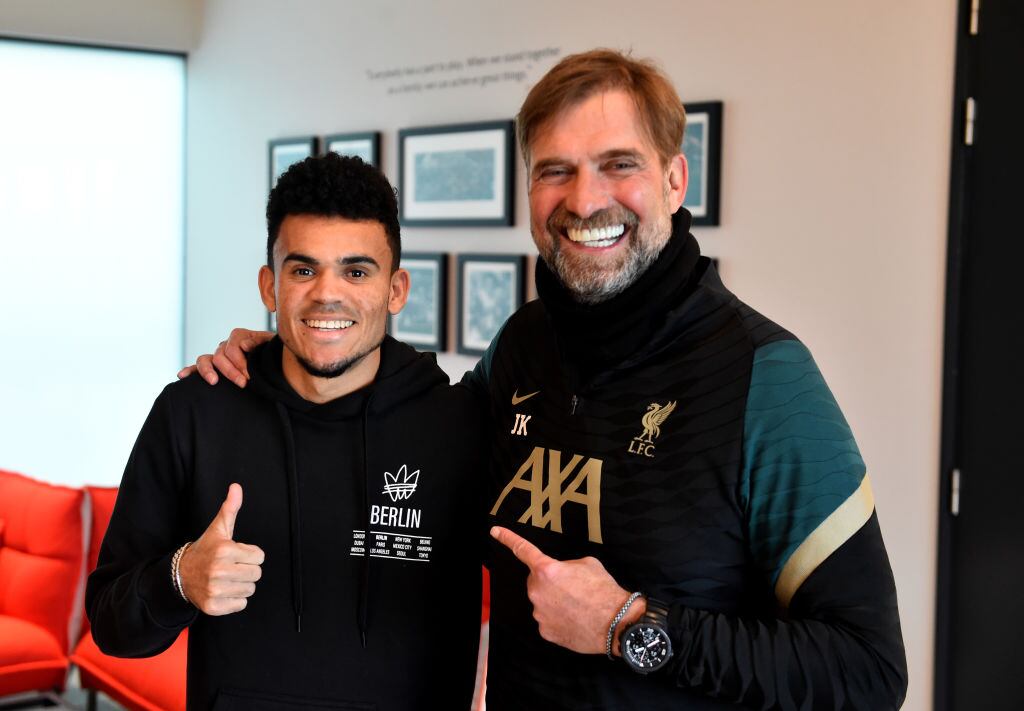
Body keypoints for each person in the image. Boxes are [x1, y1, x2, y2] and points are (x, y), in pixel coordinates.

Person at [192, 50, 908, 710]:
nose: (585, 198)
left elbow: (870, 668)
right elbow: (405, 442)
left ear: (674, 177)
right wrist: (292, 351)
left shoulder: (766, 378)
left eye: (617, 163)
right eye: (555, 170)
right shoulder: (521, 349)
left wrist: (629, 625)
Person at [87, 153, 486, 711]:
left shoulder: (461, 427)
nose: (327, 294)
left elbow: (534, 590)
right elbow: (110, 625)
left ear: (396, 289)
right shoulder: (193, 414)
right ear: (269, 287)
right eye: (303, 270)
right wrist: (179, 579)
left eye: (356, 271)